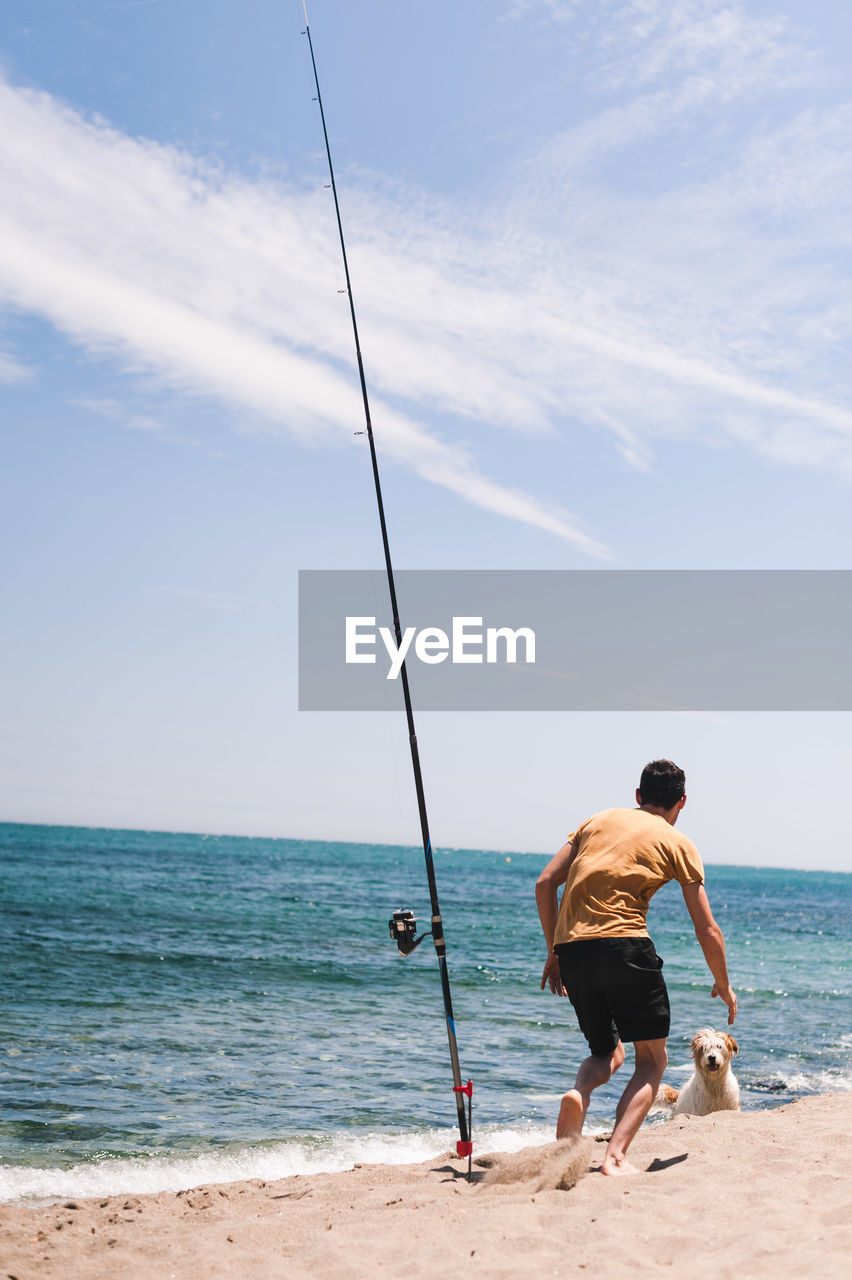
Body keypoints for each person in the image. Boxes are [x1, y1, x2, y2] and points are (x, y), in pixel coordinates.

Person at [535, 759, 736, 1177]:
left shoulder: (597, 821)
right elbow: (707, 929)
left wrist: (555, 952)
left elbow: (545, 883)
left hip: (573, 950)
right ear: (682, 801)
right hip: (626, 946)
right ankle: (615, 1157)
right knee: (651, 1062)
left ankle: (579, 1092)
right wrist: (723, 984)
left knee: (606, 1052)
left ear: (638, 796)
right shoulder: (678, 842)